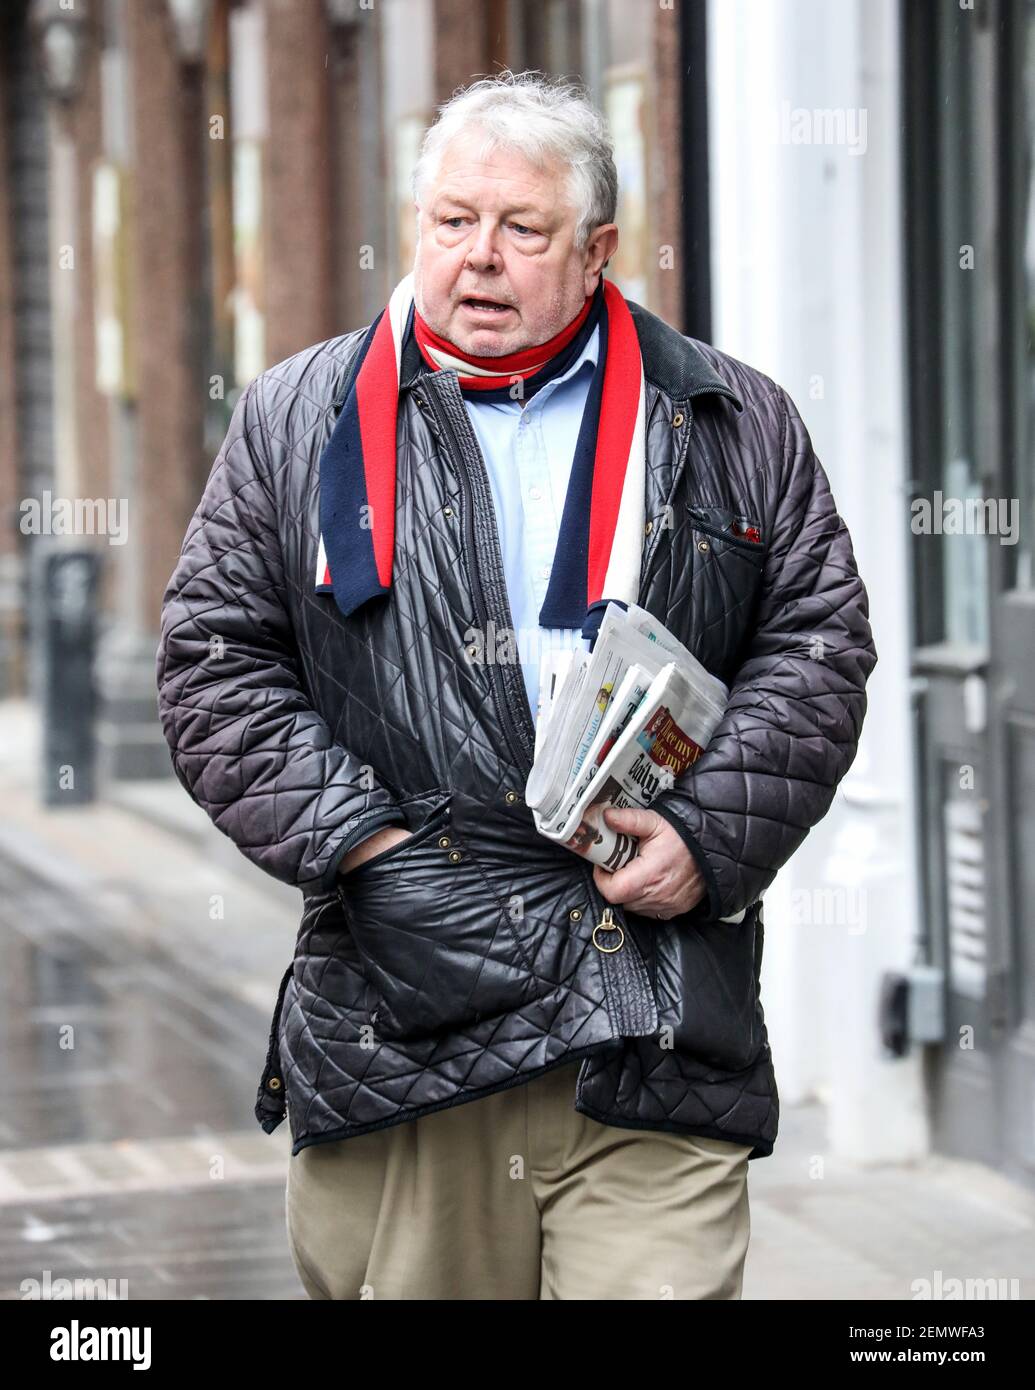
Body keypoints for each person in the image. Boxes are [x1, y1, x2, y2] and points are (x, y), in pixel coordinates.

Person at [156, 70, 876, 1300]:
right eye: (451, 221)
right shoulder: (296, 416)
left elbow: (817, 650)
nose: (477, 259)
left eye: (520, 229)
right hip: (413, 1012)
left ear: (596, 250)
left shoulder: (730, 418)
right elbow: (215, 667)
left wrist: (705, 837)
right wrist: (373, 850)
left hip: (649, 1005)